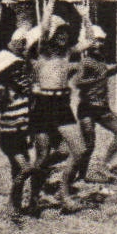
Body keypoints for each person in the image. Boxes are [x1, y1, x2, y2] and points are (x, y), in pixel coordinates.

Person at [29, 25, 88, 214]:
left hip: (62, 104)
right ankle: (33, 197)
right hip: (43, 104)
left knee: (79, 150)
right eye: (59, 34)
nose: (63, 36)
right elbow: (44, 29)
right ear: (52, 36)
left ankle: (63, 193)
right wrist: (52, 1)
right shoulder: (42, 52)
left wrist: (86, 17)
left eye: (66, 34)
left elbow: (91, 41)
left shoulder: (69, 53)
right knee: (43, 155)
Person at [0, 50, 38, 222]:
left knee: (17, 172)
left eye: (18, 68)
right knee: (25, 169)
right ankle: (11, 201)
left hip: (22, 137)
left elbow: (30, 114)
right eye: (12, 71)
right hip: (8, 138)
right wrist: (8, 123)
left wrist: (30, 133)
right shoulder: (4, 94)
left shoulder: (26, 93)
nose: (17, 73)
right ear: (5, 76)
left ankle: (16, 205)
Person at [74, 26, 117, 183]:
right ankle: (81, 174)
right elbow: (77, 83)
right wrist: (101, 77)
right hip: (87, 108)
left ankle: (104, 165)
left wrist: (114, 70)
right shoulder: (85, 62)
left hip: (102, 107)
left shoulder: (100, 60)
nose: (100, 44)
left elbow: (102, 75)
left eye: (102, 41)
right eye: (97, 41)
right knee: (89, 144)